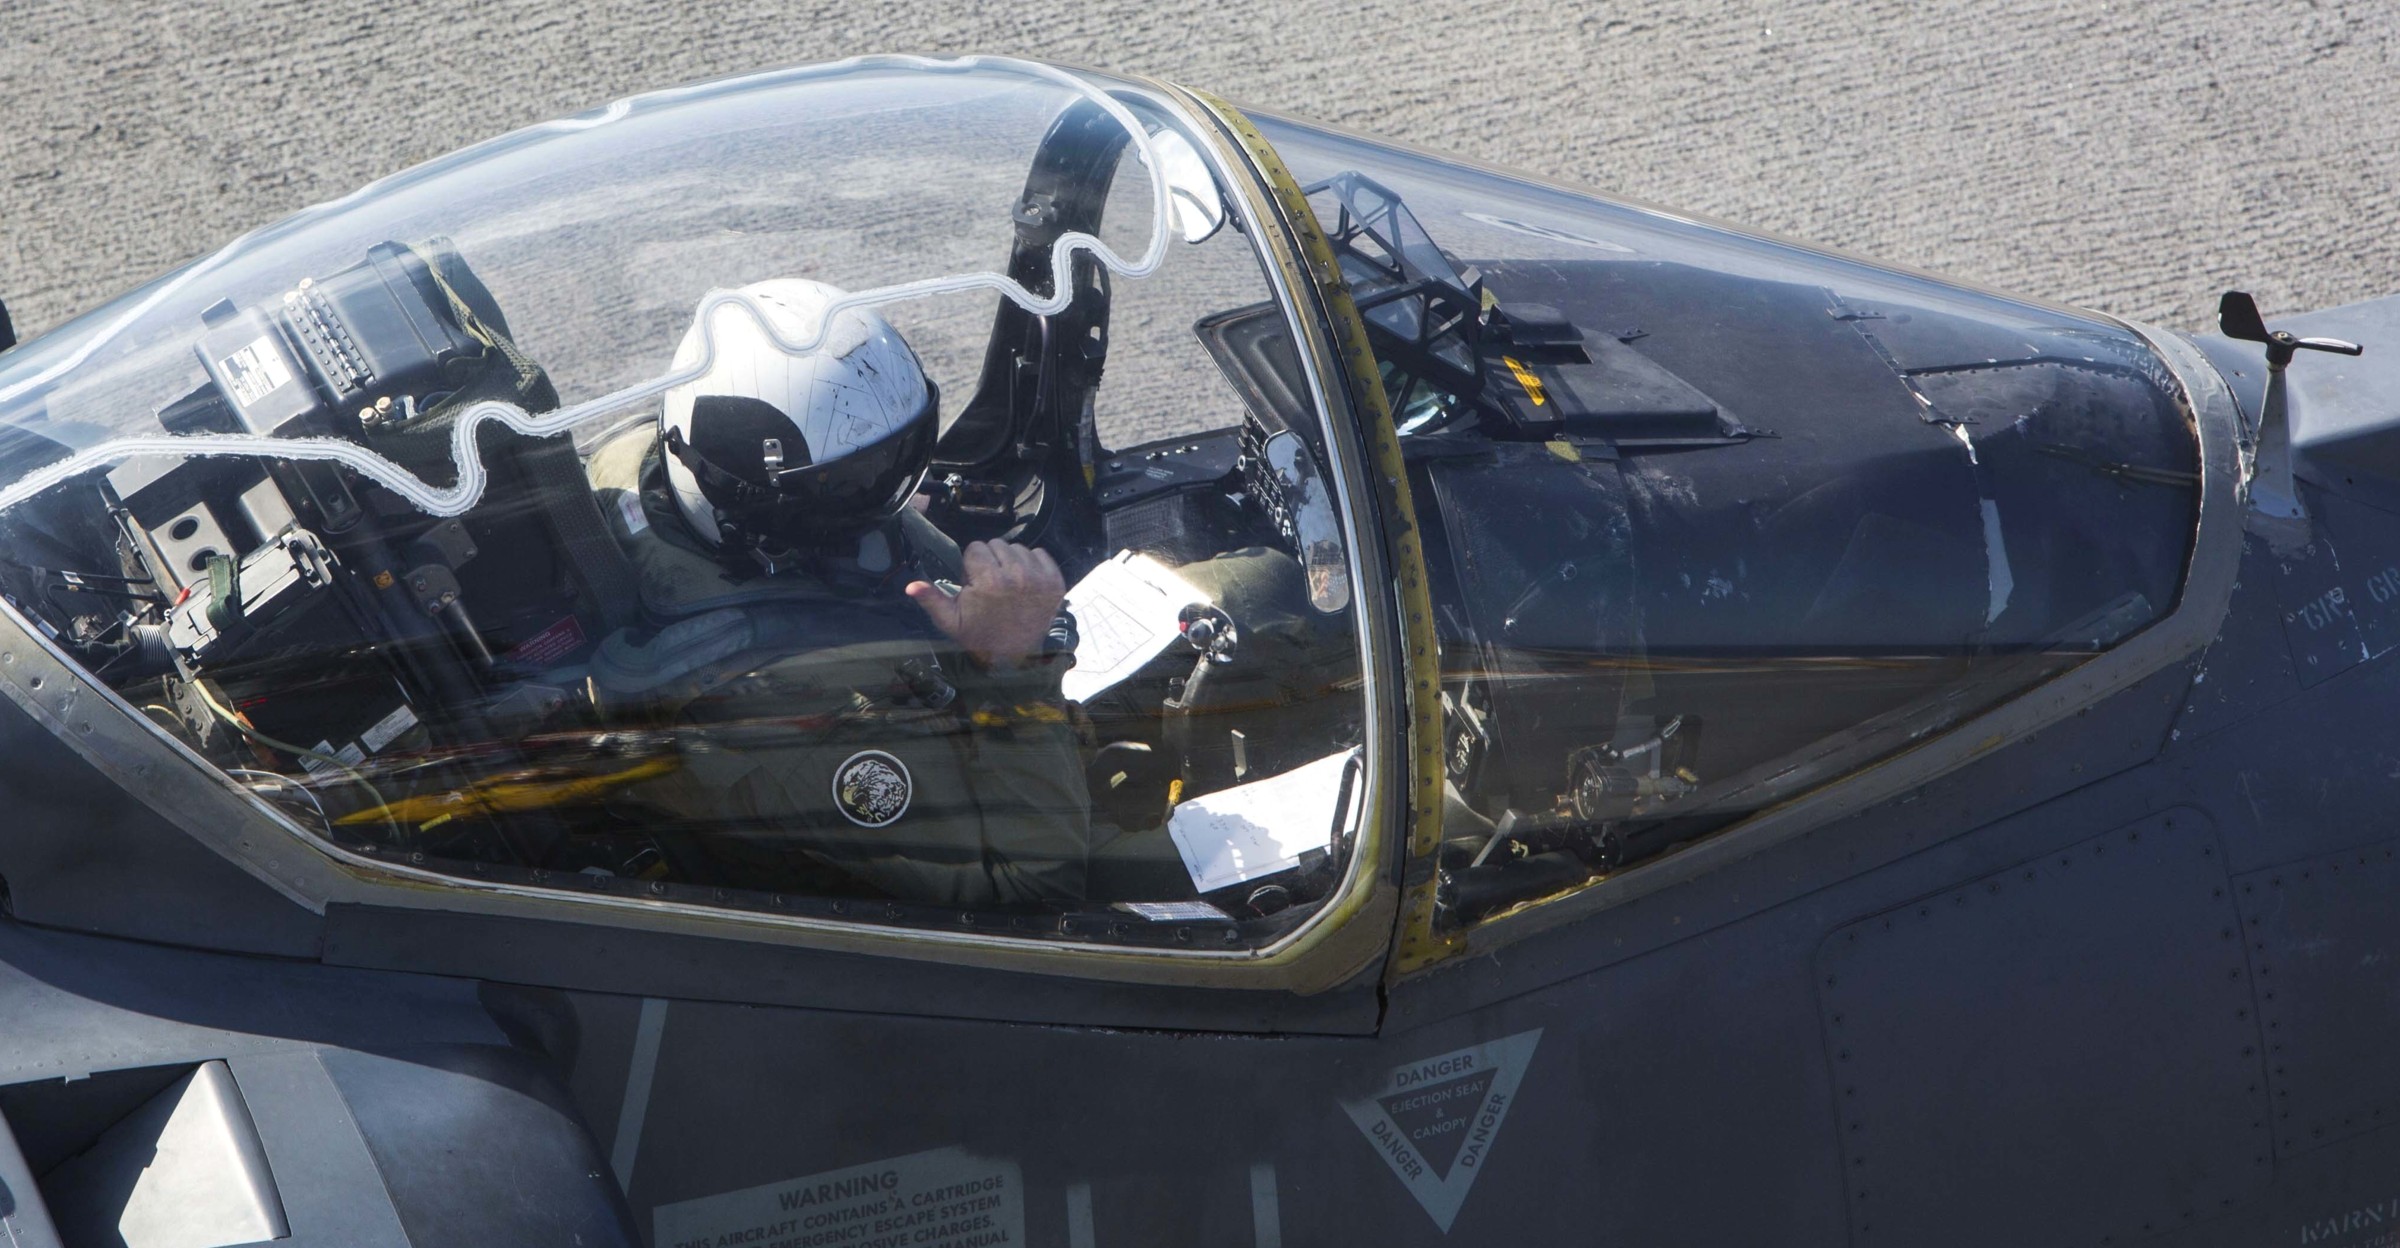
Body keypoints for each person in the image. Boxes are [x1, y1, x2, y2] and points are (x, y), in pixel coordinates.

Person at [586, 278, 1089, 906]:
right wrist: (1014, 671)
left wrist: (870, 486)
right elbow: (1033, 892)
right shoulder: (781, 719)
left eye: (900, 462)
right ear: (748, 496)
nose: (889, 498)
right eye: (852, 485)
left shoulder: (649, 466)